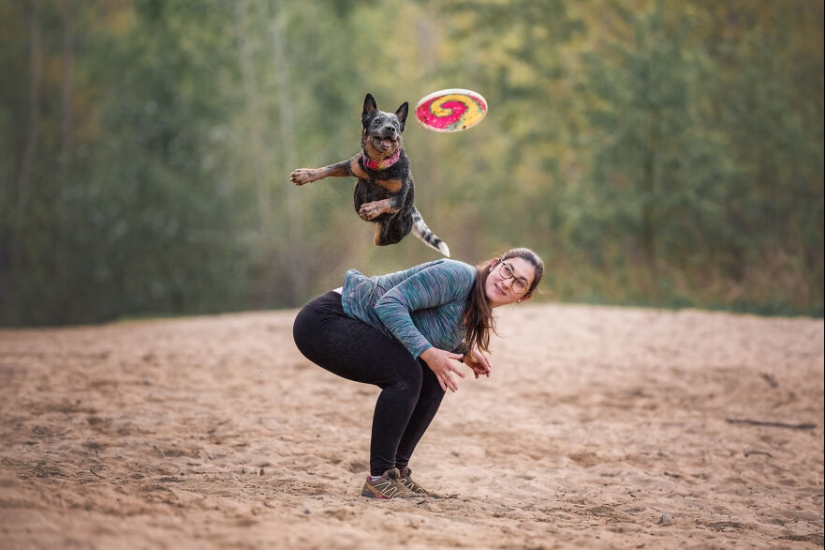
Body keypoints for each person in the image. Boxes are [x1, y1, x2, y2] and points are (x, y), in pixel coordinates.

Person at [292, 248, 544, 499]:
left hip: (349, 323)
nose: (507, 282)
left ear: (524, 297)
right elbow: (389, 304)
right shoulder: (456, 276)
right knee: (407, 372)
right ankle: (379, 479)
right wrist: (427, 351)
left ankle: (396, 473)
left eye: (519, 282)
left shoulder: (476, 306)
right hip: (327, 319)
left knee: (437, 376)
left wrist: (463, 352)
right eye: (507, 270)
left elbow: (428, 324)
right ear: (494, 265)